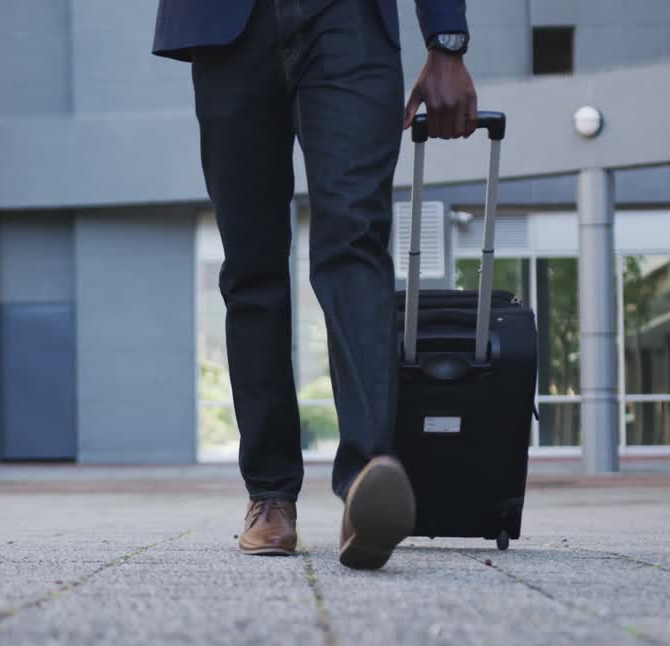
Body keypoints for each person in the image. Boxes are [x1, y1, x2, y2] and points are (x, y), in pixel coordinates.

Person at [153, 0, 479, 569]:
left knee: (354, 238)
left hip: (349, 20)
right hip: (231, 24)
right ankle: (270, 494)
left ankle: (366, 486)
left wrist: (445, 38)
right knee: (251, 263)